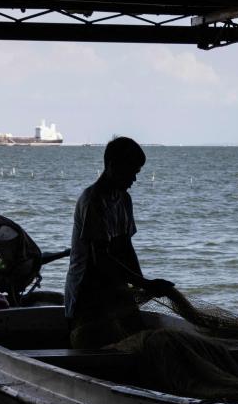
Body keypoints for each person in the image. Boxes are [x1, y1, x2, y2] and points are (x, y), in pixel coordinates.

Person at [64, 136, 174, 349]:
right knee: (93, 347)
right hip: (87, 293)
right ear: (113, 166)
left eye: (137, 172)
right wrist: (145, 284)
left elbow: (126, 247)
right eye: (132, 171)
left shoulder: (124, 200)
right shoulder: (93, 201)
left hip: (115, 287)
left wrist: (142, 283)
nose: (134, 178)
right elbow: (101, 259)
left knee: (138, 339)